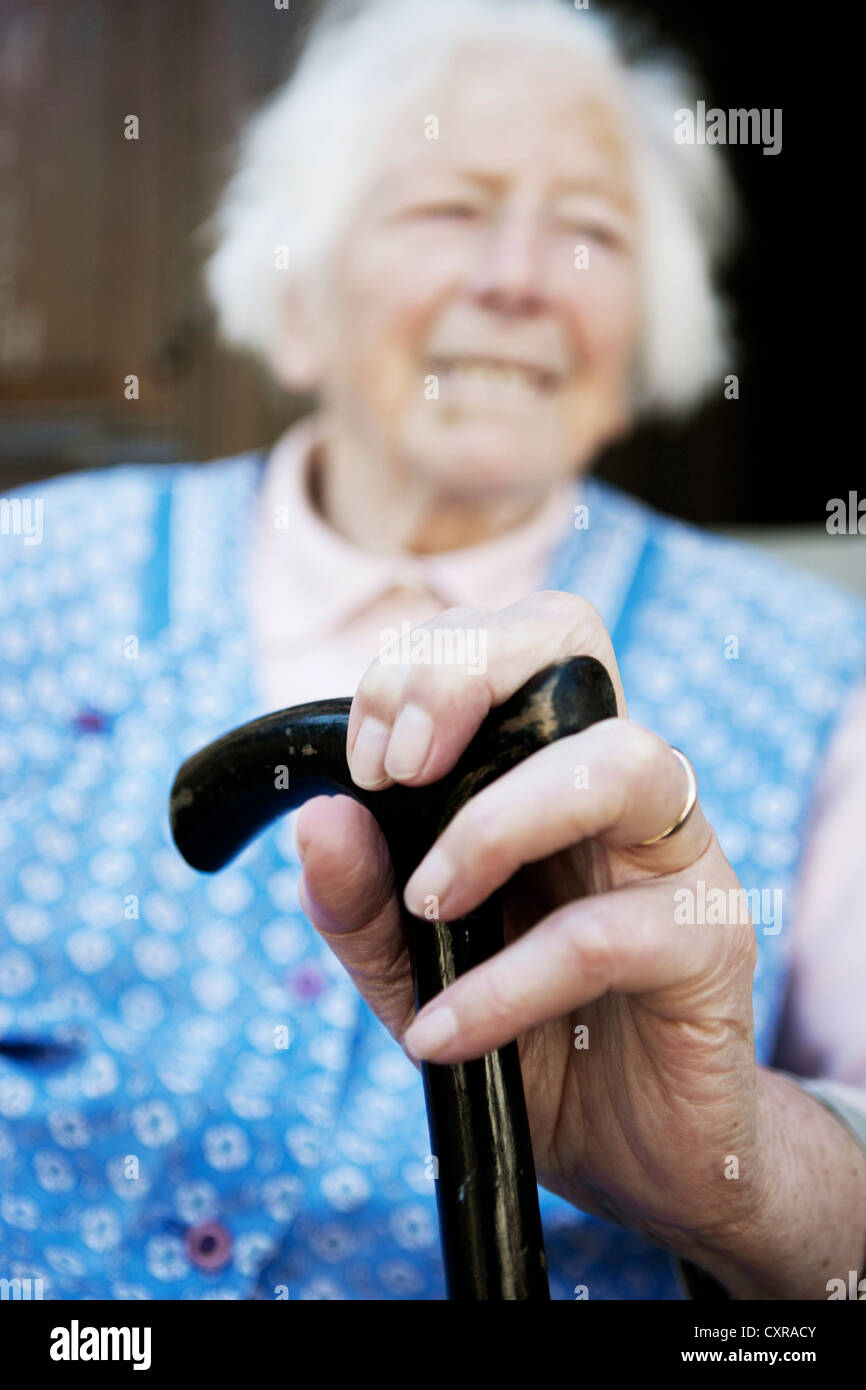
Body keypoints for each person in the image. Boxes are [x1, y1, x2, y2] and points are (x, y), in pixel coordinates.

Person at [1, 0, 864, 1301]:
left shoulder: (821, 666)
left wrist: (739, 1160)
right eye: (446, 209)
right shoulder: (28, 580)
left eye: (589, 229)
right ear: (297, 298)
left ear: (641, 338)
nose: (516, 275)